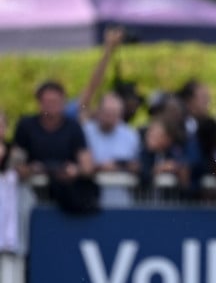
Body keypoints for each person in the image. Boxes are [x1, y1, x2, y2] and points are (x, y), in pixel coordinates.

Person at [13, 80, 97, 214]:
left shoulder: (73, 127)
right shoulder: (26, 126)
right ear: (39, 103)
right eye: (48, 102)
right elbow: (16, 162)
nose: (52, 106)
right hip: (30, 195)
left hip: (67, 195)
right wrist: (30, 169)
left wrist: (75, 170)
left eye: (56, 102)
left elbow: (87, 166)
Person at [82, 92, 141, 207]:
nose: (110, 117)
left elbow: (138, 164)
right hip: (88, 198)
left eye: (114, 113)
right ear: (98, 111)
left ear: (121, 114)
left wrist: (119, 166)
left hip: (120, 200)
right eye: (107, 113)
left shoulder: (131, 135)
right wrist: (98, 167)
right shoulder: (84, 132)